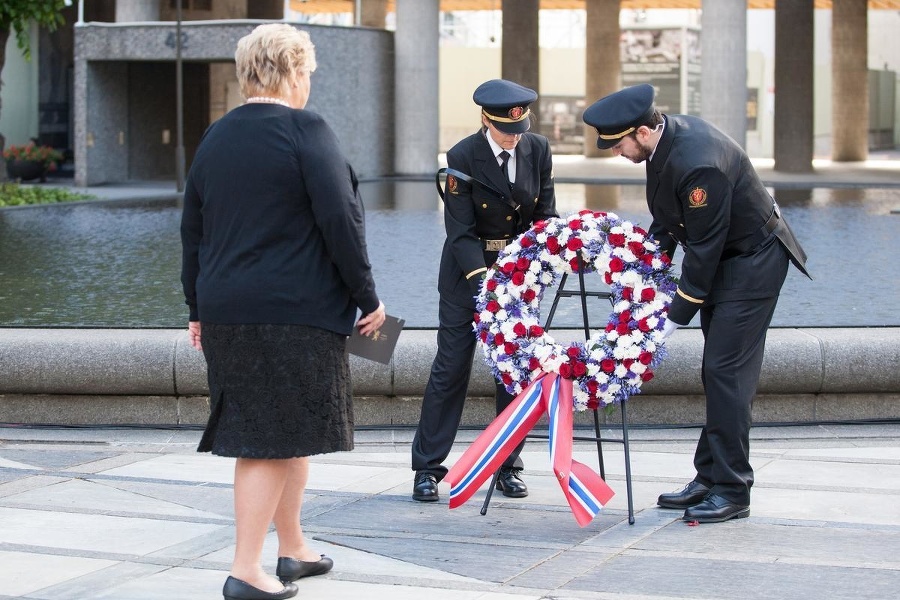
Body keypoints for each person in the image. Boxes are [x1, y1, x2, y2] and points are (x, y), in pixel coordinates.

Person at [180, 24, 385, 600]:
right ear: (294, 71)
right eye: (309, 73)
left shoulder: (216, 137)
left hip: (226, 310)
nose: (309, 84)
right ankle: (246, 569)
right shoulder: (305, 130)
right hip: (292, 312)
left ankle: (292, 548)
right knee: (267, 440)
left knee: (285, 432)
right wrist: (369, 298)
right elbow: (341, 221)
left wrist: (196, 306)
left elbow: (192, 231)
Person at [583, 83, 810, 524]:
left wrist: (674, 316)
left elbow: (703, 250)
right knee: (718, 372)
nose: (615, 152)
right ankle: (709, 477)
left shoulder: (698, 162)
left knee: (726, 373)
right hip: (727, 258)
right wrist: (641, 275)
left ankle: (731, 489)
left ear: (644, 132)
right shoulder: (664, 146)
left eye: (619, 143)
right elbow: (670, 219)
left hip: (752, 261)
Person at [411, 79, 558, 502]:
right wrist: (485, 283)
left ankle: (507, 465)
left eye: (519, 128)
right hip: (468, 274)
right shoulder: (462, 156)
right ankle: (427, 467)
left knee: (511, 370)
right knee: (451, 368)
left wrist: (546, 258)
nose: (514, 136)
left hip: (517, 276)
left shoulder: (538, 149)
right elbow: (459, 231)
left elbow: (544, 215)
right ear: (485, 120)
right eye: (505, 129)